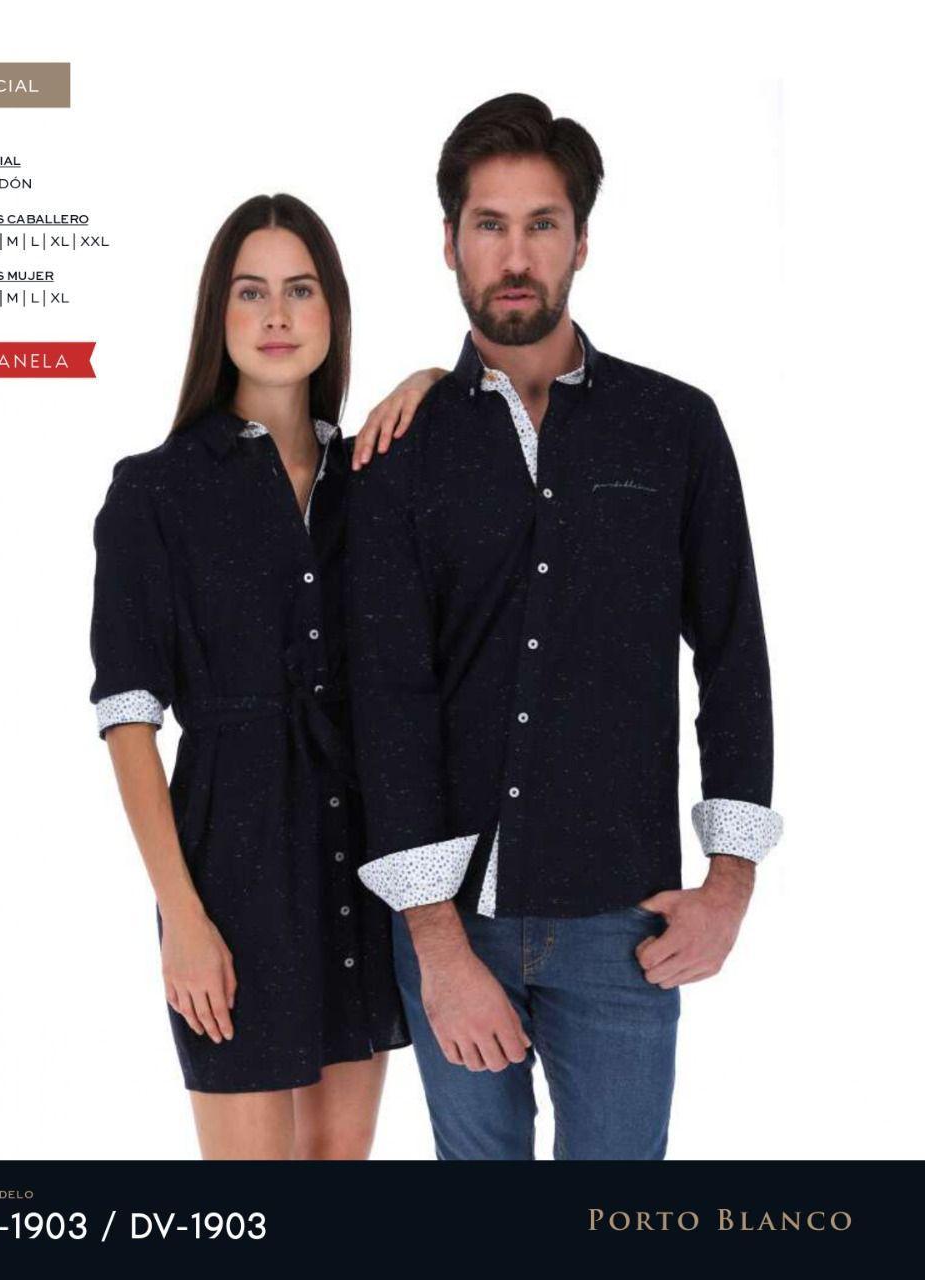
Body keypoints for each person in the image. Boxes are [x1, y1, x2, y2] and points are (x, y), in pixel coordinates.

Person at [345, 93, 784, 1160]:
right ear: (448, 242)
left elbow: (732, 654)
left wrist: (729, 884)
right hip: (453, 924)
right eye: (488, 224)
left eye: (541, 224)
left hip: (624, 925)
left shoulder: (675, 426)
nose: (514, 256)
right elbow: (386, 698)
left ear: (580, 239)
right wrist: (436, 942)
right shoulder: (397, 453)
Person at [88, 193, 437, 1160]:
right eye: (251, 292)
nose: (277, 315)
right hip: (229, 873)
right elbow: (128, 720)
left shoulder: (375, 480)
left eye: (300, 290)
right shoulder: (155, 490)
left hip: (359, 864)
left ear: (333, 312)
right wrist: (183, 920)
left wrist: (432, 380)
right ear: (219, 313)